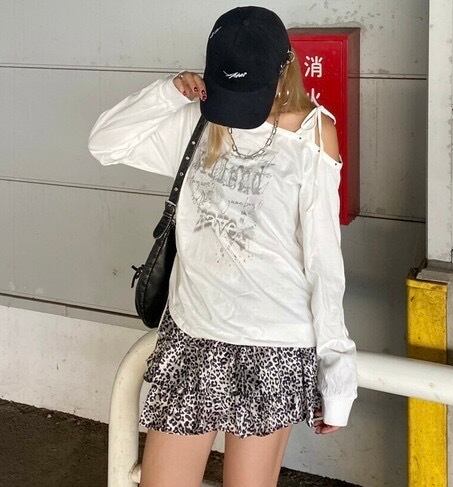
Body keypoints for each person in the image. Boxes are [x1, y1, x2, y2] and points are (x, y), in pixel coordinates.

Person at [88, 6, 358, 487]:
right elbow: (105, 144)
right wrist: (168, 92)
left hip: (273, 345)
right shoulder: (199, 121)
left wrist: (338, 378)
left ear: (283, 70)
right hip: (193, 333)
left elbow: (323, 262)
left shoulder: (313, 135)